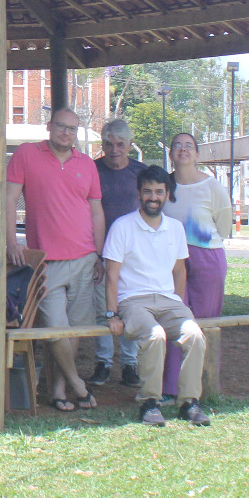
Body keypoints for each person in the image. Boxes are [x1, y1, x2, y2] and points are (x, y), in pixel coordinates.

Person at [5, 106, 105, 412]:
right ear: (49, 127)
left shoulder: (87, 164)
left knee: (74, 331)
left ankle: (60, 389)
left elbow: (96, 211)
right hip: (46, 262)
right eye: (61, 126)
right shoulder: (26, 154)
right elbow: (9, 199)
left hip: (85, 257)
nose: (66, 133)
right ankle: (78, 384)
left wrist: (100, 255)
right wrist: (12, 241)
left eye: (72, 129)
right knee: (57, 328)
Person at [102, 166, 210, 426]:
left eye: (159, 192)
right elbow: (111, 276)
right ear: (138, 193)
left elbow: (179, 271)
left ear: (167, 194)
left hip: (168, 302)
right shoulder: (122, 226)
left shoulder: (175, 228)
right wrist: (112, 314)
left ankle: (189, 403)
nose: (153, 197)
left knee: (195, 335)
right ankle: (150, 403)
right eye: (148, 191)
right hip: (133, 302)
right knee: (155, 335)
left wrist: (181, 306)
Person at [160, 131, 233, 401]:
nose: (182, 149)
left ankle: (202, 385)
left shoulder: (212, 186)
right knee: (175, 321)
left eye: (188, 145)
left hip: (207, 259)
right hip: (171, 261)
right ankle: (169, 388)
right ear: (170, 153)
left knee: (204, 324)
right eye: (177, 145)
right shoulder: (164, 186)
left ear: (197, 154)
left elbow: (223, 225)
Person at [94, 117, 147, 388]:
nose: (114, 149)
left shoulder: (141, 172)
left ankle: (130, 363)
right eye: (108, 144)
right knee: (103, 307)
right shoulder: (92, 170)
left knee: (130, 306)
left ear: (129, 145)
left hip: (133, 253)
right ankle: (103, 361)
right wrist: (94, 253)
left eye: (120, 144)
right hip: (101, 251)